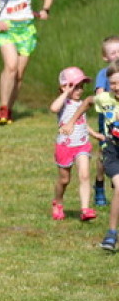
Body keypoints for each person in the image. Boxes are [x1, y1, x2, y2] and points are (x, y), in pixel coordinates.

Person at [50, 67, 101, 222]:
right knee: (64, 180)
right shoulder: (64, 102)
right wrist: (66, 92)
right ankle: (57, 202)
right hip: (65, 146)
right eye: (75, 86)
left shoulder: (82, 103)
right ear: (64, 86)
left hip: (82, 145)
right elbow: (53, 108)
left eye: (81, 87)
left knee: (84, 175)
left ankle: (85, 209)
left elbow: (82, 123)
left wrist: (94, 134)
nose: (79, 90)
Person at [94, 62, 119, 251]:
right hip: (112, 151)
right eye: (113, 83)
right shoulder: (104, 98)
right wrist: (71, 121)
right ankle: (111, 234)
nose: (116, 87)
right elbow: (86, 102)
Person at [93, 37, 119, 207]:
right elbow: (99, 94)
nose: (118, 55)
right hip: (107, 121)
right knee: (104, 156)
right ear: (105, 57)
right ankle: (100, 185)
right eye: (113, 52)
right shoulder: (103, 74)